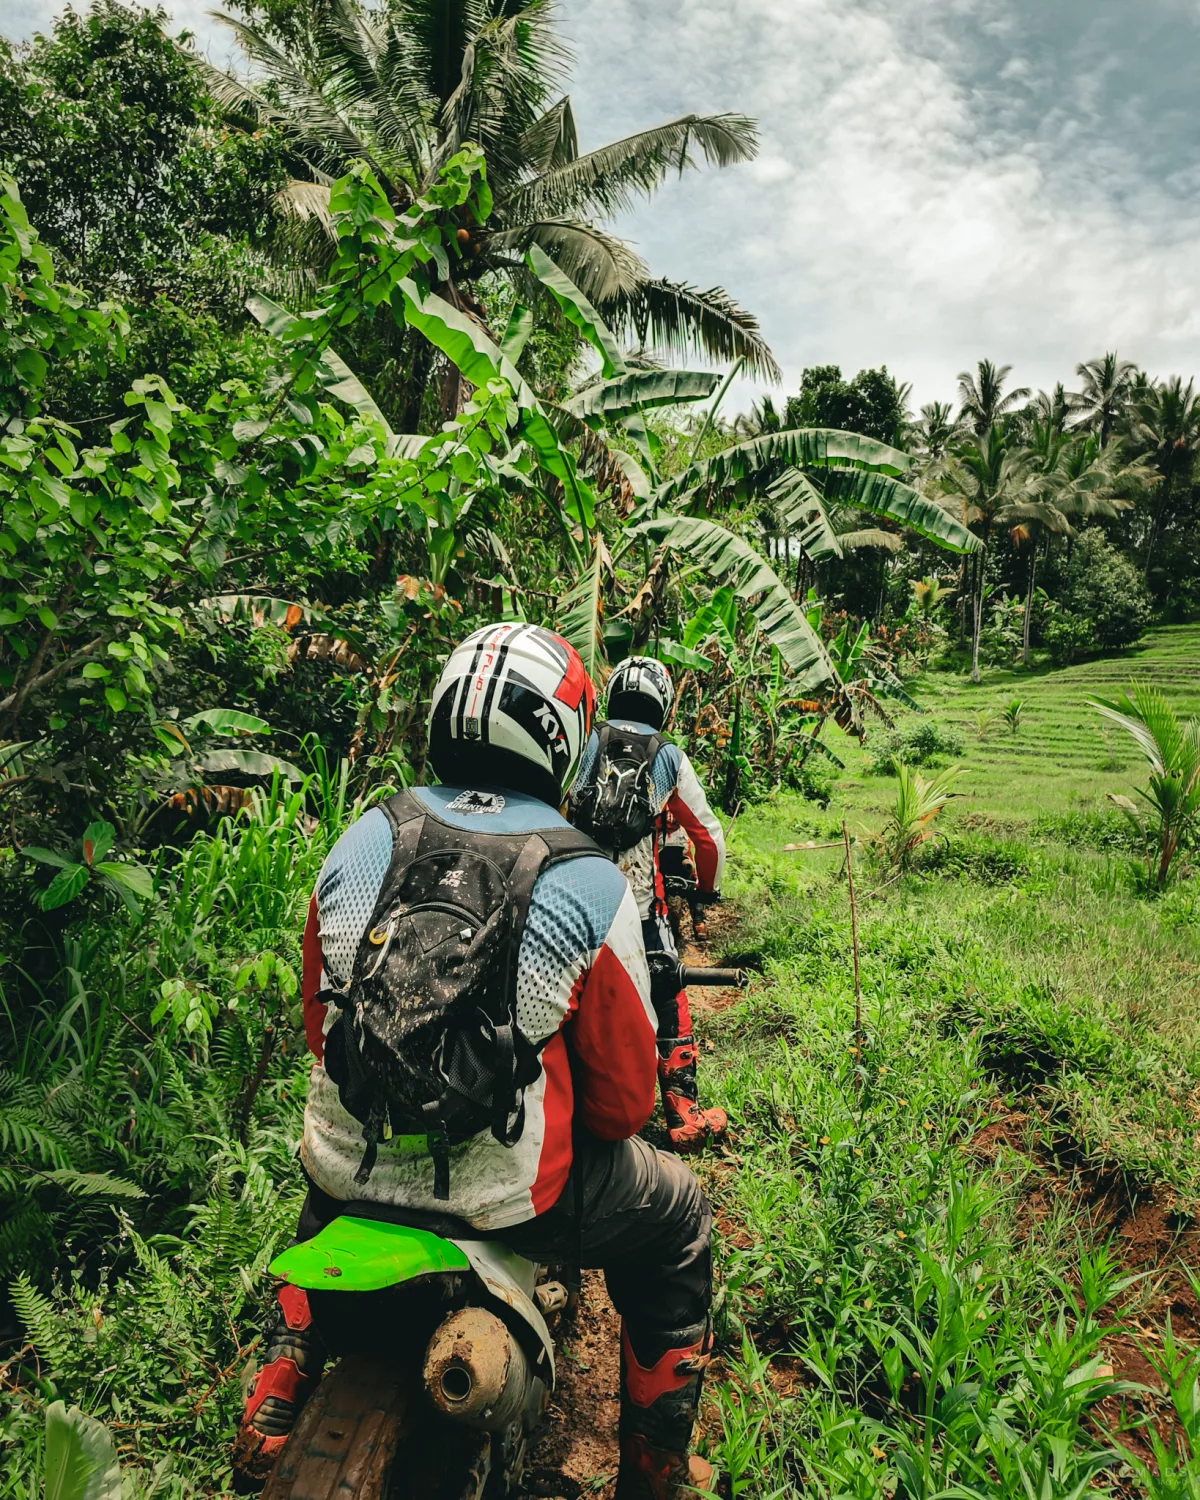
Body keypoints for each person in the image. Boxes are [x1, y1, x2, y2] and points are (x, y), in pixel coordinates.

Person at [235, 623, 714, 1500]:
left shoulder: (361, 837)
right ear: (562, 733)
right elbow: (621, 1106)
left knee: (318, 1190)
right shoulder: (587, 879)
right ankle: (654, 1475)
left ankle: (282, 1377)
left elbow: (320, 1029)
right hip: (508, 1199)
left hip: (348, 1172)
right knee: (679, 1217)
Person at [570, 657, 728, 1153]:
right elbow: (708, 837)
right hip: (640, 909)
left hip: (572, 899)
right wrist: (705, 889)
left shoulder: (586, 742)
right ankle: (685, 1114)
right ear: (663, 703)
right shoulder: (668, 756)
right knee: (669, 997)